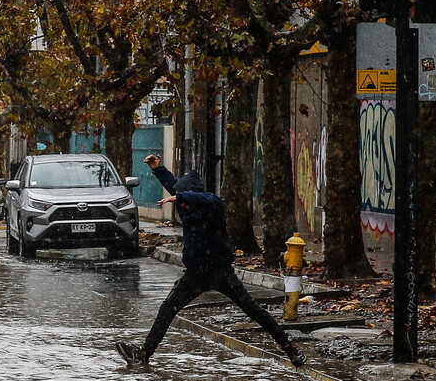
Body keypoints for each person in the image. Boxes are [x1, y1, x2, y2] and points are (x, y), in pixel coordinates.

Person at [116, 154, 306, 368]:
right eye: (179, 196)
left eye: (183, 197)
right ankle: (144, 354)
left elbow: (208, 198)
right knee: (167, 309)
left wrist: (181, 197)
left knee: (253, 310)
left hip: (220, 272)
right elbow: (173, 185)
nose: (180, 201)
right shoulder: (184, 204)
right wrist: (158, 169)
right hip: (195, 274)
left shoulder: (212, 206)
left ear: (193, 195)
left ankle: (289, 347)